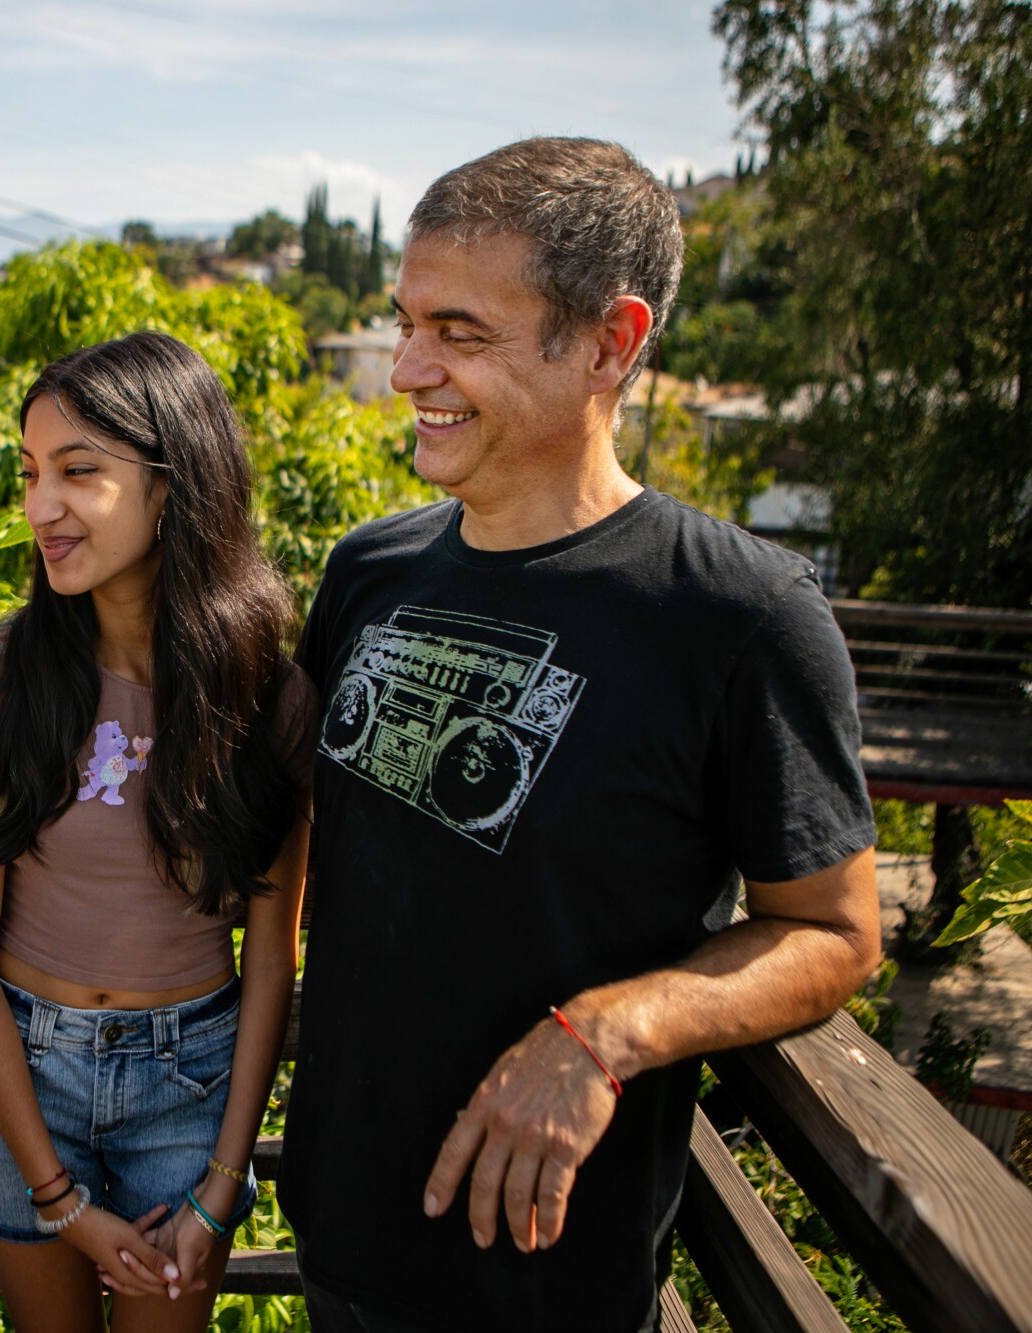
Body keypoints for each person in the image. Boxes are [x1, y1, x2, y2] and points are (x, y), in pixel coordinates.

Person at [280, 138, 882, 1332]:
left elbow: (833, 932)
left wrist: (602, 1031)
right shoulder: (369, 571)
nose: (406, 370)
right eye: (404, 323)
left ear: (609, 339)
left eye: (459, 333)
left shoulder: (738, 614)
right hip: (336, 1246)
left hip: (545, 1287)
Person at [0, 332, 317, 1332]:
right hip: (20, 1073)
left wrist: (223, 1180)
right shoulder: (0, 678)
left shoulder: (262, 696)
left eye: (78, 472)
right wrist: (54, 1196)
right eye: (30, 473)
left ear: (170, 484)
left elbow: (271, 959)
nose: (38, 507)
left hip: (187, 1081)